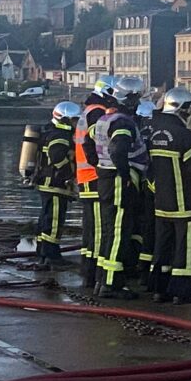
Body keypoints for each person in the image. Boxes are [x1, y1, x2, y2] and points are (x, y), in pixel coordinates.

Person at [148, 87, 191, 305]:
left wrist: (157, 189)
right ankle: (182, 292)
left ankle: (160, 289)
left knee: (162, 247)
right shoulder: (186, 136)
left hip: (161, 204)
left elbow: (147, 169)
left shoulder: (154, 133)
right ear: (183, 109)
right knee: (185, 248)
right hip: (185, 203)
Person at [94, 76, 149, 299]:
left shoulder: (105, 118)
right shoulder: (123, 122)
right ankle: (111, 284)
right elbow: (118, 150)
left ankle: (102, 279)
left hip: (105, 179)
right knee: (119, 231)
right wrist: (126, 175)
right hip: (118, 181)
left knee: (109, 231)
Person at [75, 75, 116, 287]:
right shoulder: (98, 113)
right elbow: (98, 144)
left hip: (85, 177)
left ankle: (88, 271)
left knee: (90, 228)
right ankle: (98, 275)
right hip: (95, 177)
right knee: (100, 229)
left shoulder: (87, 111)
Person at [34, 101, 80, 267]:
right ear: (65, 120)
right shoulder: (60, 135)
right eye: (74, 120)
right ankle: (52, 256)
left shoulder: (49, 131)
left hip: (47, 183)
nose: (77, 123)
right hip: (55, 184)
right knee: (54, 221)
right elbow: (57, 157)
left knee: (45, 218)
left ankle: (42, 252)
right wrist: (68, 174)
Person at [135, 100, 156, 286]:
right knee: (150, 229)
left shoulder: (136, 134)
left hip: (137, 187)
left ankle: (138, 265)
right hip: (150, 189)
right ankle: (146, 271)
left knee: (139, 228)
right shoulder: (153, 136)